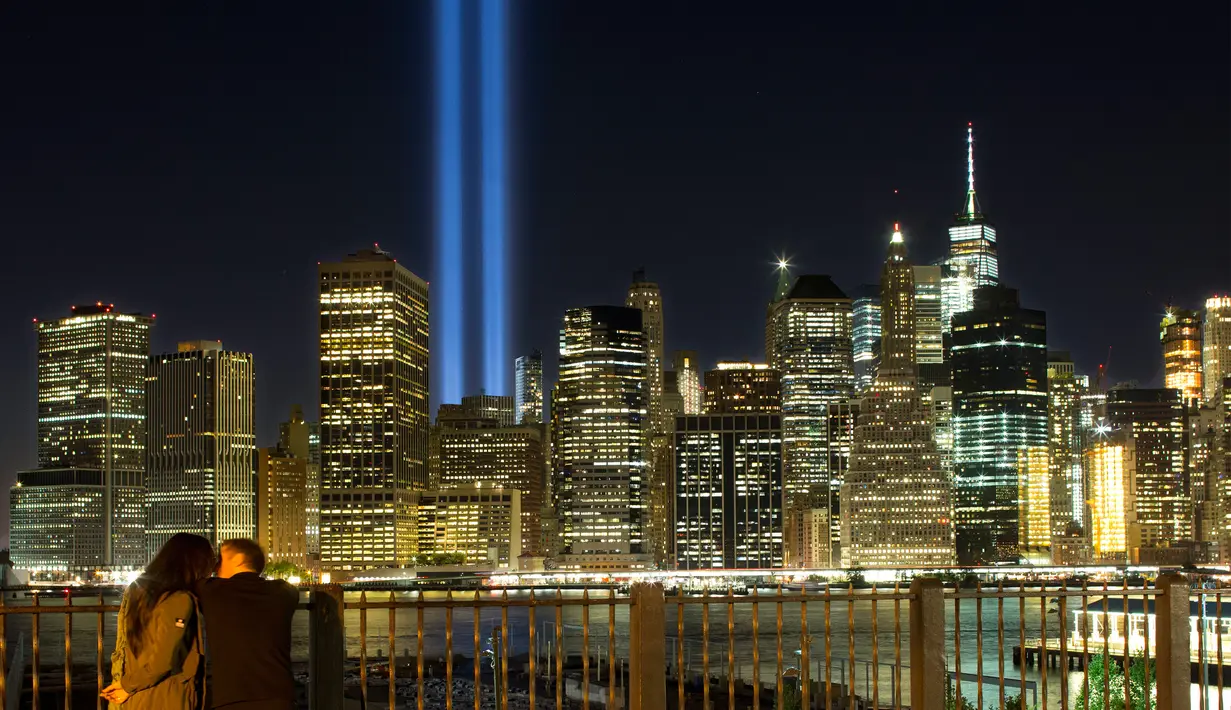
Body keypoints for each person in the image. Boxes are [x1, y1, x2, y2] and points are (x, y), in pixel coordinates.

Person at [103, 533, 214, 709]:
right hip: (166, 695)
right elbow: (163, 659)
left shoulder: (136, 592)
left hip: (138, 694)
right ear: (196, 563)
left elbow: (123, 645)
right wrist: (127, 686)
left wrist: (125, 683)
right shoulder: (179, 599)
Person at [196, 539, 300, 710]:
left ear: (238, 559)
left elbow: (191, 580)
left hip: (231, 698)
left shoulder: (211, 591)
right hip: (279, 696)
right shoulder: (284, 593)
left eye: (220, 559)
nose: (216, 566)